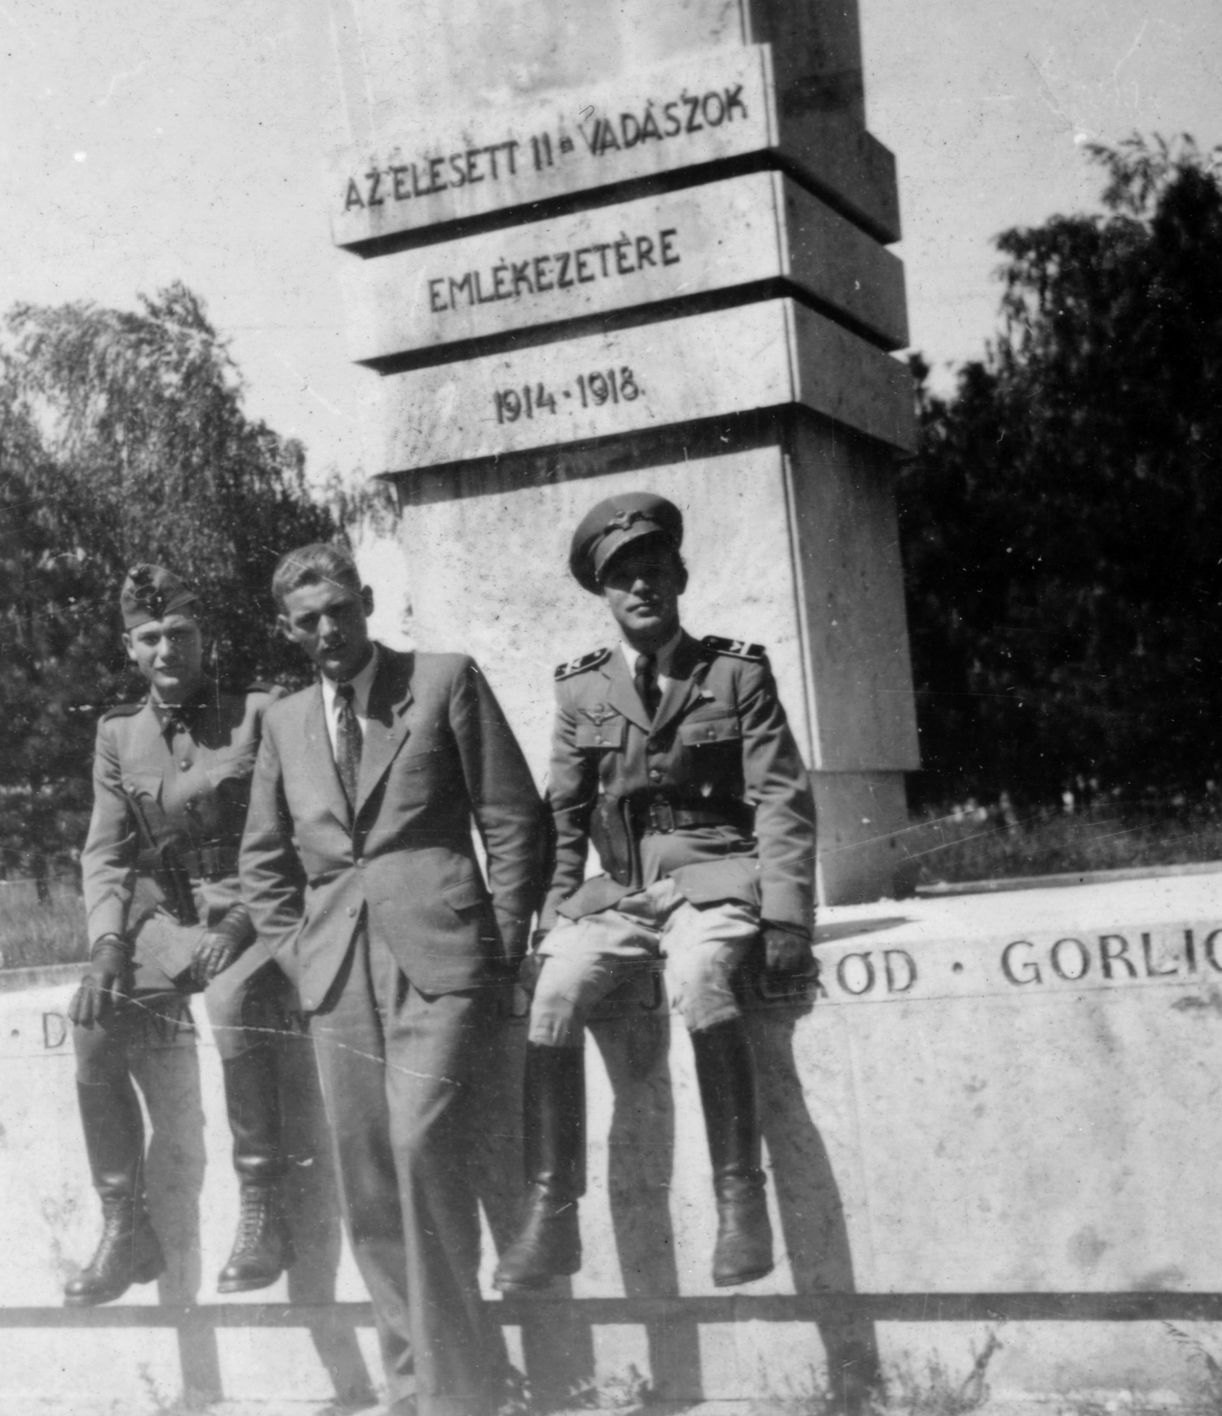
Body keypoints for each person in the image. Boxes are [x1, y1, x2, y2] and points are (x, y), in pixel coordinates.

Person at [240, 543, 544, 1416]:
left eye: (341, 609)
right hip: (337, 971)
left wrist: (507, 945)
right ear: (287, 630)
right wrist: (301, 958)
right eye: (309, 620)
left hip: (441, 956)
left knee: (420, 1149)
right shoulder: (285, 721)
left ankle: (462, 1388)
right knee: (368, 1176)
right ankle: (412, 1384)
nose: (330, 630)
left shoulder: (443, 681)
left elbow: (513, 817)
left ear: (367, 601)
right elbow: (263, 863)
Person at [493, 493, 817, 1295]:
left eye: (652, 572)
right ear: (603, 595)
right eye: (623, 579)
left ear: (679, 576)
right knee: (557, 992)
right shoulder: (581, 691)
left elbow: (781, 798)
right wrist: (550, 925)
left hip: (715, 876)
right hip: (622, 892)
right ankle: (551, 1210)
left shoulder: (735, 672)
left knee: (700, 977)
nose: (641, 589)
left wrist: (786, 917)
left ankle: (743, 1203)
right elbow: (564, 817)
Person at [67, 563, 296, 1306]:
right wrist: (108, 944)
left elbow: (298, 833)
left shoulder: (259, 712)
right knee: (94, 1019)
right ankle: (125, 1226)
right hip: (168, 922)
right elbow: (104, 853)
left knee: (230, 1001)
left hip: (255, 913)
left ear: (206, 638)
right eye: (150, 637)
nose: (167, 649)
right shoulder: (118, 736)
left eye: (181, 633)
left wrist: (242, 918)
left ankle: (266, 1209)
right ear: (130, 649)